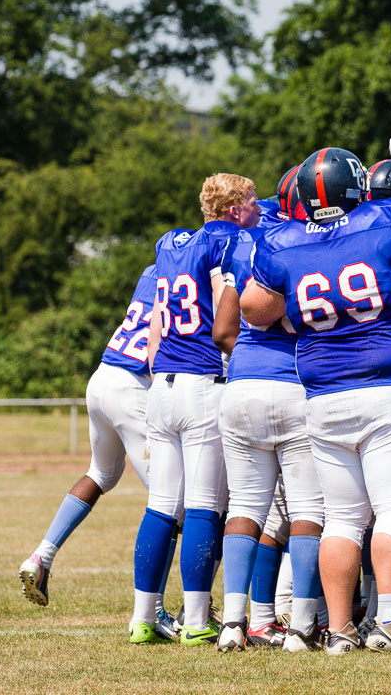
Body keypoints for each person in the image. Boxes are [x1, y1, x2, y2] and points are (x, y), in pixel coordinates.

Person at [240, 148, 391, 655]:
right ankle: (389, 622)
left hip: (323, 396)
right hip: (387, 390)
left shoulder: (282, 243)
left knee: (343, 518)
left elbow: (254, 311)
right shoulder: (386, 220)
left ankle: (341, 630)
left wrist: (299, 287)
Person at [128, 173, 259, 645]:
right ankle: (197, 619)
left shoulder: (170, 242)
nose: (259, 208)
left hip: (161, 382)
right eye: (252, 201)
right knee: (205, 506)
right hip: (204, 380)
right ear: (235, 208)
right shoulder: (235, 241)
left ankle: (144, 617)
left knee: (162, 505)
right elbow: (233, 313)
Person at [20, 265, 169, 633]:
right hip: (133, 384)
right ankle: (155, 611)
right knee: (169, 505)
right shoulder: (194, 271)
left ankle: (42, 555)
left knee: (101, 473)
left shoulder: (154, 271)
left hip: (102, 375)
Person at [215, 194, 327, 653]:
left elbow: (224, 330)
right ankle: (301, 626)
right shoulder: (320, 244)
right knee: (307, 511)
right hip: (295, 385)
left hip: (240, 386)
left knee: (244, 507)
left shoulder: (243, 247)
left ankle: (233, 624)